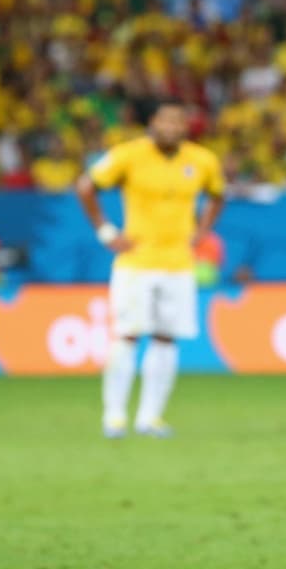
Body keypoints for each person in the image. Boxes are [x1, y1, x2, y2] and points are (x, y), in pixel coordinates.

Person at [77, 100, 225, 438]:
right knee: (127, 335)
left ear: (186, 127)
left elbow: (218, 194)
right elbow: (86, 186)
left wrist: (203, 230)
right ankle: (114, 416)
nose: (171, 128)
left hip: (178, 263)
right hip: (136, 262)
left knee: (166, 339)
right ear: (152, 123)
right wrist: (105, 231)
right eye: (165, 121)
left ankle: (150, 418)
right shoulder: (128, 155)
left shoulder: (202, 160)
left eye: (178, 122)